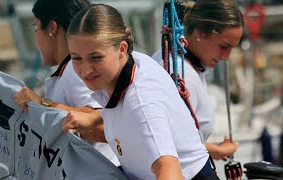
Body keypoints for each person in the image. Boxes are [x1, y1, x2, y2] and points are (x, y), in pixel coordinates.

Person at [64, 4, 219, 180]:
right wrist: (95, 118)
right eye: (76, 58)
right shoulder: (134, 62)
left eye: (96, 57)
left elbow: (168, 168)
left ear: (122, 49)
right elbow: (123, 109)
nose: (85, 70)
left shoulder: (142, 102)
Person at [13, 0, 120, 167]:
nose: (36, 37)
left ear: (52, 28)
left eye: (36, 28)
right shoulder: (71, 69)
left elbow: (104, 128)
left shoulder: (74, 69)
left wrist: (42, 104)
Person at [152, 0, 243, 161]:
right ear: (201, 33)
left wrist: (212, 150)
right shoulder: (182, 75)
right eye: (224, 46)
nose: (227, 57)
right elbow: (169, 143)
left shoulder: (175, 61)